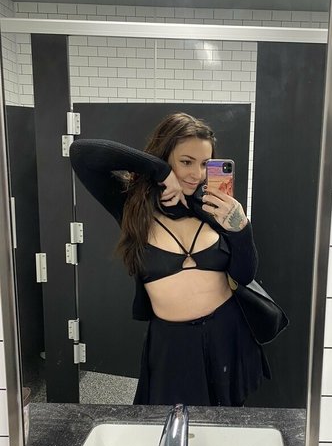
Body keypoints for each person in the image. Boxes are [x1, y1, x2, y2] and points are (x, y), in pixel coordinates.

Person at [69, 112, 270, 407]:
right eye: (186, 161)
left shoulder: (215, 208)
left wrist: (241, 229)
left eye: (205, 163)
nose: (197, 174)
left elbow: (243, 275)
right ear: (165, 157)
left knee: (223, 424)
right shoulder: (132, 206)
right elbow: (81, 154)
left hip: (227, 332)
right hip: (172, 343)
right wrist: (160, 170)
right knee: (168, 422)